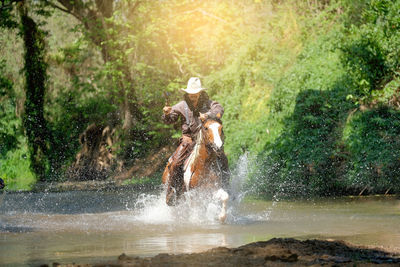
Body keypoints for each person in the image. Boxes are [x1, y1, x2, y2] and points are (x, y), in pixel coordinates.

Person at [162, 77, 230, 205]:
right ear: (188, 93)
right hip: (188, 141)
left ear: (200, 93)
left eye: (196, 94)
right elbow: (169, 120)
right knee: (176, 163)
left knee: (223, 160)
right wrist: (166, 114)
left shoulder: (210, 104)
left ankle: (227, 187)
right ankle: (172, 193)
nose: (193, 96)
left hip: (207, 142)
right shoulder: (181, 106)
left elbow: (219, 110)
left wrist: (208, 115)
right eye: (191, 94)